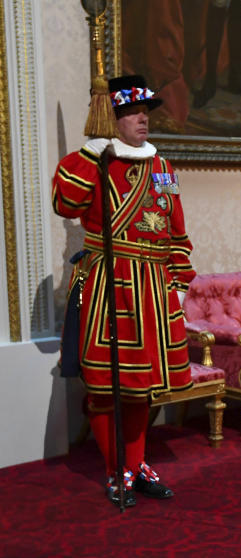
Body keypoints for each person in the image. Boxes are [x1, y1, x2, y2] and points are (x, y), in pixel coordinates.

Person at [52, 75, 196, 507]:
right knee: (106, 386)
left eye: (145, 112)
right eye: (132, 112)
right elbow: (65, 204)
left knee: (142, 385)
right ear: (110, 119)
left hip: (153, 289)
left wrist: (179, 283)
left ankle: (135, 465)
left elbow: (176, 232)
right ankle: (119, 468)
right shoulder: (94, 163)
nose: (142, 120)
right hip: (111, 286)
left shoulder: (164, 169)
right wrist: (88, 153)